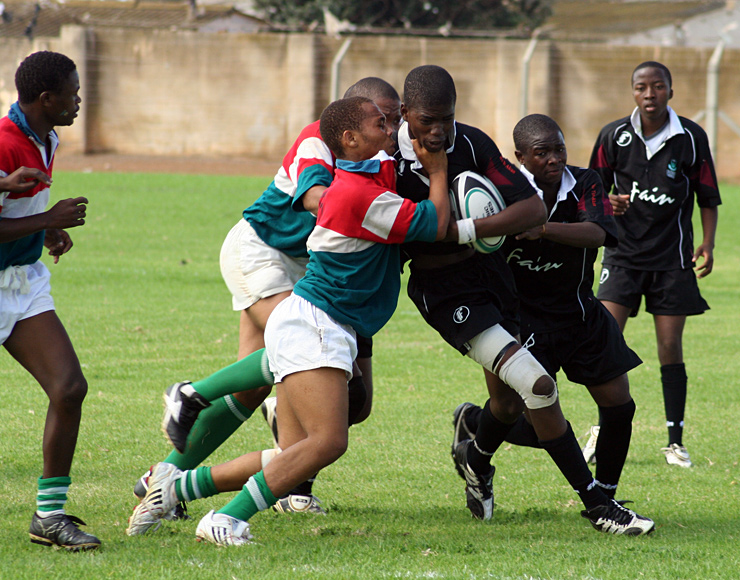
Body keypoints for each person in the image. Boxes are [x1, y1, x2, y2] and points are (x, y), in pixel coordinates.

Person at [126, 95, 449, 545]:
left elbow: (375, 182)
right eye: (384, 121)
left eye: (396, 120)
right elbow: (343, 203)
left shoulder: (373, 168)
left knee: (292, 444)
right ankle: (225, 511)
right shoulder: (333, 163)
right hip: (274, 267)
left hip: (314, 304)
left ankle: (175, 483)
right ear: (350, 135)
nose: (393, 129)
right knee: (324, 439)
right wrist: (435, 175)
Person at [395, 65, 653, 535]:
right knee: (523, 403)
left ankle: (602, 496)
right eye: (428, 120)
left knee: (611, 403)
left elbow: (582, 227)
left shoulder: (478, 148)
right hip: (489, 304)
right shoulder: (385, 161)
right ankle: (589, 502)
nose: (439, 131)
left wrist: (488, 229)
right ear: (404, 113)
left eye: (447, 119)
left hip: (572, 311)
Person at [452, 113, 646, 505]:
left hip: (579, 313)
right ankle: (475, 441)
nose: (555, 159)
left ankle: (607, 494)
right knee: (512, 411)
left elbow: (601, 232)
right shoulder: (501, 195)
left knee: (620, 404)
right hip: (522, 319)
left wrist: (541, 228)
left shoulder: (586, 182)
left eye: (559, 149)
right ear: (521, 156)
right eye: (543, 153)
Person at [588, 61, 721, 468]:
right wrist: (607, 203)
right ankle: (600, 430)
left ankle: (675, 442)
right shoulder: (614, 135)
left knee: (669, 347)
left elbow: (708, 196)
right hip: (623, 256)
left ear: (671, 91)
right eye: (642, 87)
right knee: (605, 344)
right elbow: (590, 190)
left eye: (658, 86)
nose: (650, 94)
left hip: (672, 259)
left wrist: (708, 243)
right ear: (632, 93)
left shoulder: (691, 139)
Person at [0, 51, 100, 551]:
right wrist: (46, 221)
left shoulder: (48, 136)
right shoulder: (2, 143)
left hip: (20, 282)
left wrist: (45, 234)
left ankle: (49, 516)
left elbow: (17, 205)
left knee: (68, 388)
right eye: (74, 93)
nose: (79, 100)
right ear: (47, 98)